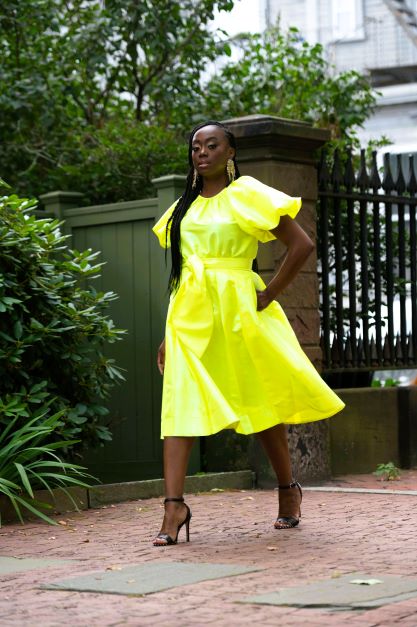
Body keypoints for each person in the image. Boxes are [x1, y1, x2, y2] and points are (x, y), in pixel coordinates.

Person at [152, 120, 345, 546]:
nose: (201, 152)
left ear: (230, 152)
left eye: (211, 145)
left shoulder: (246, 194)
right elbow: (181, 273)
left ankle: (287, 489)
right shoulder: (184, 206)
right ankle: (173, 508)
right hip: (189, 314)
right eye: (195, 146)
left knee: (261, 406)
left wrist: (269, 294)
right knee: (179, 404)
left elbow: (302, 245)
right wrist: (169, 332)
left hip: (239, 310)